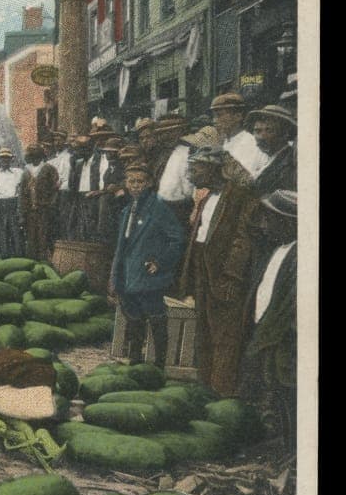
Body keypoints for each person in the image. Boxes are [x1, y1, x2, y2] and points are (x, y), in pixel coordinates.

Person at [177, 147, 259, 397]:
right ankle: (205, 388)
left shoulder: (238, 195)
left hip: (223, 273)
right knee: (204, 329)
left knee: (225, 333)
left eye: (196, 169)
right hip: (203, 267)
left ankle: (222, 392)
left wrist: (233, 275)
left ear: (213, 169)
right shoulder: (207, 195)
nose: (190, 175)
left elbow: (242, 238)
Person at [109, 162, 187, 369]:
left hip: (148, 274)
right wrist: (115, 276)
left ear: (150, 183)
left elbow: (177, 238)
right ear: (125, 183)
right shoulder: (127, 210)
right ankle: (135, 360)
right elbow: (121, 246)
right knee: (133, 317)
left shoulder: (158, 208)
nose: (135, 186)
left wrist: (160, 262)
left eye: (140, 182)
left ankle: (159, 363)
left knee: (155, 317)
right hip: (128, 274)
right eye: (131, 181)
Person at [239, 189, 297, 453]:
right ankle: (285, 445)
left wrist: (265, 337)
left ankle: (293, 448)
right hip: (268, 333)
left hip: (282, 339)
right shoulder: (277, 249)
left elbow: (289, 307)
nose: (264, 225)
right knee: (276, 391)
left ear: (289, 222)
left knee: (287, 392)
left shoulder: (300, 257)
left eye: (270, 219)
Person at [212, 92, 268, 186]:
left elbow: (245, 181)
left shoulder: (251, 143)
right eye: (214, 116)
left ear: (238, 116)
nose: (214, 121)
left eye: (219, 115)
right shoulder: (225, 142)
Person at [154, 115, 199, 227]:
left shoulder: (189, 152)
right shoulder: (162, 153)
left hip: (180, 208)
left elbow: (190, 186)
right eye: (163, 133)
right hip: (161, 205)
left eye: (170, 132)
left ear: (181, 131)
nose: (166, 136)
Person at [20, 144, 59, 261]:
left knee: (44, 235)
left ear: (41, 156)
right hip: (30, 210)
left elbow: (55, 189)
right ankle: (32, 261)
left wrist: (51, 205)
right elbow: (22, 193)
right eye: (32, 156)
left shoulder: (49, 169)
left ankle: (44, 260)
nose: (34, 159)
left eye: (37, 156)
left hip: (44, 209)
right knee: (31, 236)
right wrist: (22, 211)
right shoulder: (26, 171)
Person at [248, 104, 298, 195]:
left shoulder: (290, 162)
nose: (262, 136)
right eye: (257, 131)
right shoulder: (267, 158)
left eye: (269, 130)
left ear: (284, 134)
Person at [93, 137, 127, 244]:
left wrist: (118, 186)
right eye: (107, 152)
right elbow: (107, 186)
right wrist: (98, 191)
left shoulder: (123, 166)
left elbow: (128, 180)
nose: (108, 155)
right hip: (110, 196)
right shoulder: (109, 168)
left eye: (111, 152)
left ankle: (103, 233)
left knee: (105, 200)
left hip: (122, 197)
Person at [69, 135, 100, 241]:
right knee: (80, 224)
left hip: (92, 195)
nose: (78, 152)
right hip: (80, 196)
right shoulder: (78, 164)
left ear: (89, 149)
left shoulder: (98, 161)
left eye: (81, 149)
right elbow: (72, 185)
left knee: (91, 223)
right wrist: (72, 167)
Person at [48, 130, 75, 245]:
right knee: (54, 218)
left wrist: (59, 183)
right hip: (54, 192)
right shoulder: (52, 159)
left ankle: (65, 243)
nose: (57, 142)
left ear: (64, 141)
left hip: (64, 191)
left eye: (59, 140)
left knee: (65, 217)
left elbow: (67, 175)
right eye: (55, 140)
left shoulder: (69, 157)